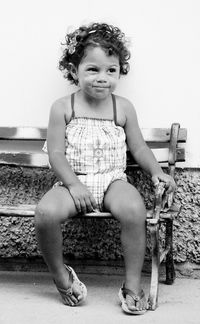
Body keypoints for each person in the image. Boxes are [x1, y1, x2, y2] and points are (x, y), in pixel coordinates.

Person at [35, 22, 176, 315]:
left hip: (112, 181)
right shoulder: (62, 107)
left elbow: (138, 148)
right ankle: (62, 278)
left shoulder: (122, 107)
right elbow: (57, 155)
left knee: (135, 208)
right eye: (93, 69)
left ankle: (132, 285)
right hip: (73, 183)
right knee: (45, 214)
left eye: (111, 70)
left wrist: (156, 171)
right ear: (74, 70)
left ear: (119, 71)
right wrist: (73, 184)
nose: (103, 78)